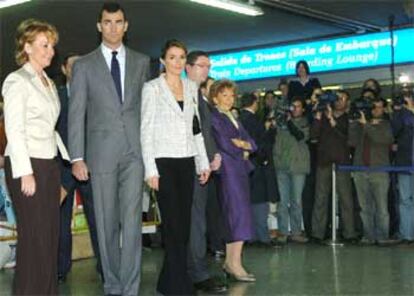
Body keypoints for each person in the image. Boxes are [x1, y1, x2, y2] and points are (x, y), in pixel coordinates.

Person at [68, 3, 150, 295]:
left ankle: (131, 288)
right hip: (100, 153)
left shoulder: (142, 62)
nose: (113, 27)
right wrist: (77, 156)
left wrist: (150, 157)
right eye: (107, 22)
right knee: (105, 224)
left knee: (132, 225)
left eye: (118, 22)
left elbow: (145, 111)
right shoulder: (84, 65)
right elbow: (76, 113)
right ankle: (113, 286)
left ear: (126, 26)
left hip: (134, 152)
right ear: (99, 26)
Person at [2, 18, 69, 295]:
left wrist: (68, 159)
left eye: (52, 45)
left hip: (48, 165)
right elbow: (15, 129)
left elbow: (49, 127)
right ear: (27, 47)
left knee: (49, 239)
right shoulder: (17, 80)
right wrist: (24, 172)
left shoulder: (48, 82)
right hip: (27, 166)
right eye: (44, 45)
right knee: (34, 240)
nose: (50, 51)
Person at [141, 40, 210, 295]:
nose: (178, 62)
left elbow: (197, 129)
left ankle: (168, 281)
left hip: (186, 160)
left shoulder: (192, 87)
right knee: (172, 226)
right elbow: (145, 130)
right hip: (163, 162)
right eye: (172, 57)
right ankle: (179, 285)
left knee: (184, 226)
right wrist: (150, 169)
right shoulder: (152, 89)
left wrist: (202, 162)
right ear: (163, 60)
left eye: (181, 57)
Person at [56, 53, 101, 282]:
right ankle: (59, 270)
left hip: (90, 169)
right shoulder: (55, 96)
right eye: (73, 65)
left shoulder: (96, 98)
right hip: (62, 168)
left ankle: (106, 268)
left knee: (98, 218)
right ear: (64, 70)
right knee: (60, 221)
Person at [185, 51, 227, 293]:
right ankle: (197, 273)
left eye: (208, 66)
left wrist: (214, 156)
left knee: (197, 221)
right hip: (189, 165)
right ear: (188, 68)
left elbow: (205, 133)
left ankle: (195, 270)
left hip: (202, 164)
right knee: (194, 221)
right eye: (202, 66)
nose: (206, 70)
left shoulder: (199, 97)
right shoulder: (184, 93)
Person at [210, 79, 257, 282]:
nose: (229, 99)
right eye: (224, 95)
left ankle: (232, 262)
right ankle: (234, 263)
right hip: (229, 172)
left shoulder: (232, 117)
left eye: (231, 95)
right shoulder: (215, 118)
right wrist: (242, 148)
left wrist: (244, 145)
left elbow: (253, 144)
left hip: (239, 171)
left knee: (238, 215)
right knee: (236, 216)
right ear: (215, 98)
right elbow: (225, 144)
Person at [310, 90, 357, 243]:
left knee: (346, 199)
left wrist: (332, 120)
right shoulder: (323, 115)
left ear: (347, 102)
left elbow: (348, 138)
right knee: (320, 198)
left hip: (342, 163)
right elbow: (313, 136)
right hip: (324, 161)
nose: (339, 101)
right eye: (337, 98)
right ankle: (318, 233)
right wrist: (318, 117)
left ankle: (349, 233)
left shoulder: (350, 117)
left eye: (342, 98)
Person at [349, 98, 395, 245]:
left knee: (381, 207)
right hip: (360, 169)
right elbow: (352, 142)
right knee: (364, 207)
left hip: (379, 170)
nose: (375, 110)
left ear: (384, 109)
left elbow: (383, 139)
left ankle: (383, 236)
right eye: (373, 107)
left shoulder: (386, 125)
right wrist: (353, 124)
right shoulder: (361, 124)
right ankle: (368, 236)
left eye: (379, 107)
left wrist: (366, 125)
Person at [239, 93, 278, 247]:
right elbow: (261, 143)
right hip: (258, 165)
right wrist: (270, 131)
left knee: (248, 201)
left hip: (245, 165)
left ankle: (251, 236)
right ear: (254, 103)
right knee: (260, 202)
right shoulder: (255, 121)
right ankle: (263, 237)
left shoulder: (239, 119)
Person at [273, 97, 310, 244]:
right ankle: (282, 232)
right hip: (282, 166)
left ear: (303, 109)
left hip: (298, 167)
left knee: (296, 201)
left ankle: (296, 232)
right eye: (292, 106)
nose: (294, 109)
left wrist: (288, 122)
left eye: (298, 106)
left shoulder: (305, 122)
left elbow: (301, 136)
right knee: (282, 201)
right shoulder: (280, 124)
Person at [391, 89, 414, 243]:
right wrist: (398, 112)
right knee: (405, 199)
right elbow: (393, 131)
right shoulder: (400, 115)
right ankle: (407, 234)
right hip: (405, 161)